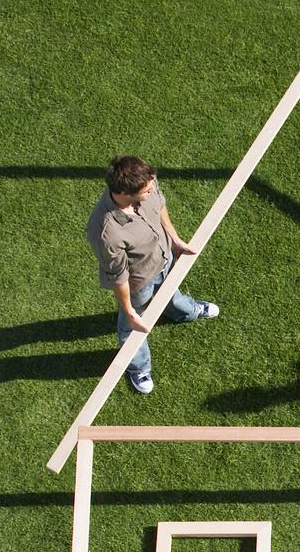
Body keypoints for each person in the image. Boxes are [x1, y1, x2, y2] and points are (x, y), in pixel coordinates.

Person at [85, 156, 221, 395]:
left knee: (172, 294)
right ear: (126, 193)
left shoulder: (146, 179)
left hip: (165, 259)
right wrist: (129, 312)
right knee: (131, 327)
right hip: (139, 281)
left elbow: (159, 205)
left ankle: (187, 312)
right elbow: (118, 275)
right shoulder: (107, 231)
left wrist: (175, 241)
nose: (152, 187)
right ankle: (137, 367)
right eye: (146, 190)